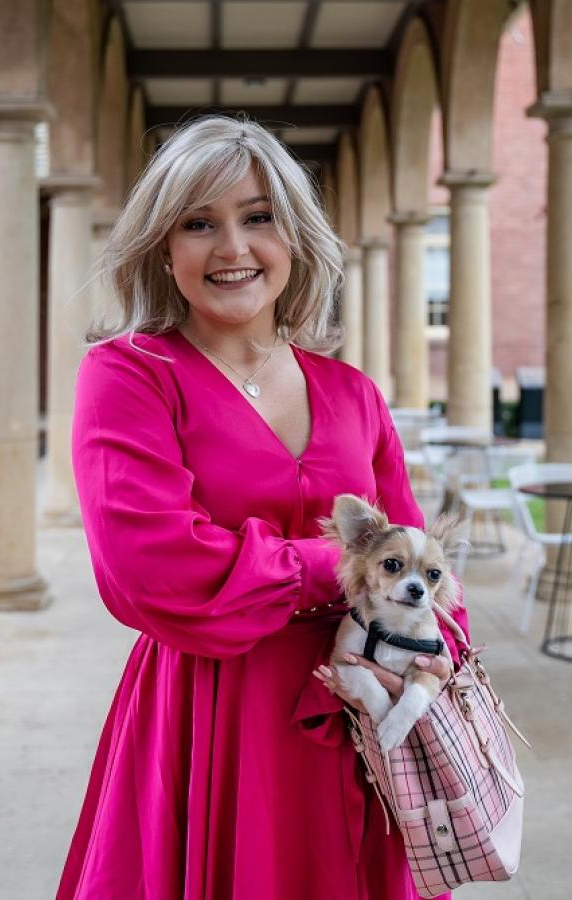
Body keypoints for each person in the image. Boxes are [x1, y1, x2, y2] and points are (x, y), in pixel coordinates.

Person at [56, 117, 468, 900]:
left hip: (365, 713)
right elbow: (155, 571)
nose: (233, 248)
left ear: (296, 239)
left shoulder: (354, 393)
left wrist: (440, 651)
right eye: (199, 223)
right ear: (162, 248)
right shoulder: (127, 375)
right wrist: (345, 568)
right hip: (213, 717)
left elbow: (427, 568)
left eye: (258, 217)